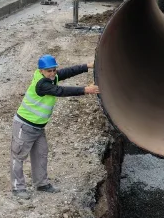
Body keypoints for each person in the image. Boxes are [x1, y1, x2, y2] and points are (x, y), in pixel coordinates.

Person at [12, 54, 99, 199]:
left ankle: (41, 184)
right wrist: (85, 90)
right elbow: (61, 91)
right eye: (49, 71)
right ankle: (18, 188)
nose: (52, 73)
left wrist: (87, 66)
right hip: (24, 126)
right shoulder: (42, 84)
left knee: (41, 154)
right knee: (19, 156)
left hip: (38, 126)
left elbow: (66, 72)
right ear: (41, 71)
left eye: (54, 70)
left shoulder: (52, 77)